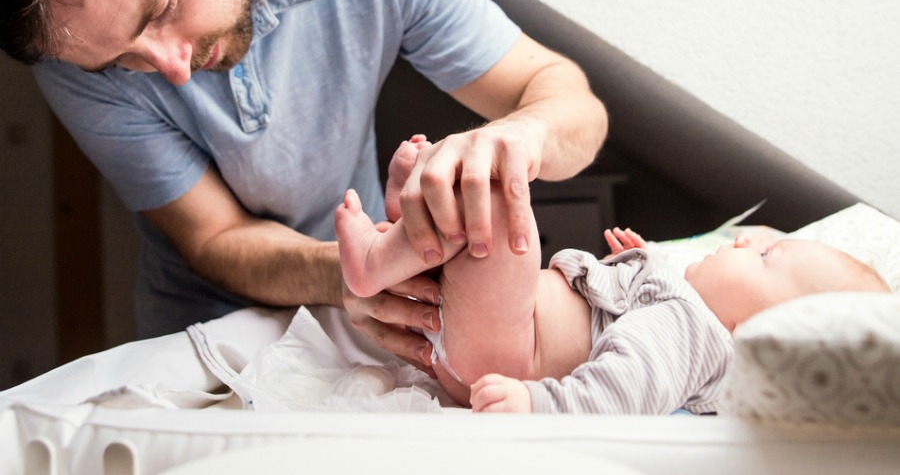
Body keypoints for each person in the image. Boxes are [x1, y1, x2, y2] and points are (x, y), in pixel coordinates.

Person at [0, 0, 607, 367]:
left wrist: (522, 136)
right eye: (124, 62)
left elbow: (571, 104)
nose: (172, 69)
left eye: (162, 9)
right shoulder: (72, 60)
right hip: (205, 333)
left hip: (376, 318)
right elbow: (216, 237)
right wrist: (356, 271)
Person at [335, 137, 891, 411]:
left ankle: (379, 260)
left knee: (502, 220)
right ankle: (408, 227)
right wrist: (639, 265)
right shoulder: (678, 312)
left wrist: (540, 407)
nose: (746, 241)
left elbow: (619, 391)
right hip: (491, 342)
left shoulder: (692, 332)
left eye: (766, 258)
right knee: (476, 237)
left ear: (750, 334)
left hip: (514, 352)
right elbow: (626, 326)